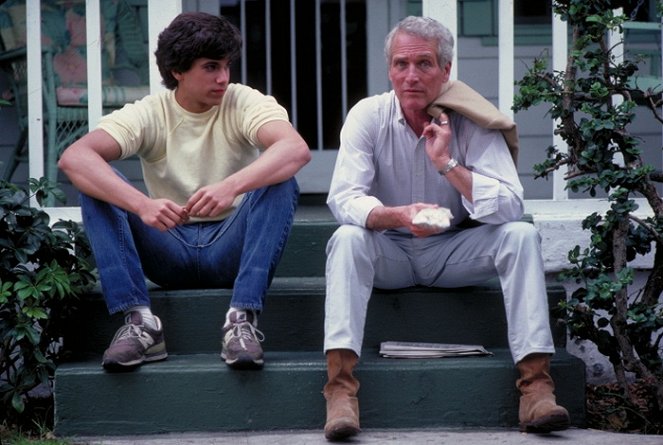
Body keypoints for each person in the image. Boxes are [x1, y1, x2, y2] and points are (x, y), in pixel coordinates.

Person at [321, 16, 570, 441]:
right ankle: (340, 392)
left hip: (453, 251)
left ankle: (536, 388)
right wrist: (398, 215)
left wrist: (447, 164)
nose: (411, 75)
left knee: (522, 236)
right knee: (346, 239)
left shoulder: (470, 119)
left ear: (446, 70)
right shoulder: (368, 115)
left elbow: (511, 204)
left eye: (425, 63)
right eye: (401, 64)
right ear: (389, 70)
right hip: (390, 252)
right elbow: (343, 198)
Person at [58, 12, 311, 372]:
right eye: (210, 67)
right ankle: (139, 323)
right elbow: (74, 158)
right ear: (178, 70)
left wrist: (231, 186)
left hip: (231, 247)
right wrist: (141, 204)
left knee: (281, 179)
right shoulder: (150, 112)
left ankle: (241, 320)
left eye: (226, 66)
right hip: (168, 247)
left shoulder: (242, 100)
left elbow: (295, 150)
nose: (223, 78)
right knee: (98, 184)